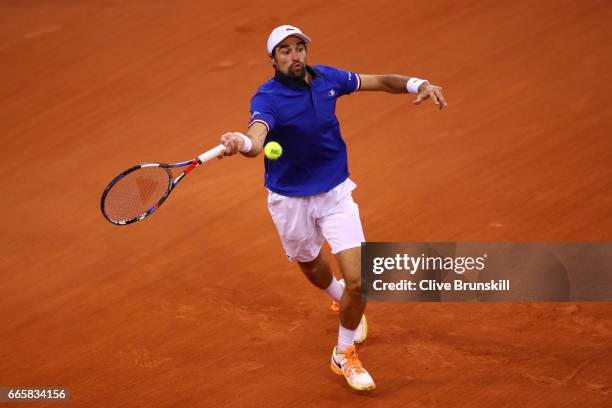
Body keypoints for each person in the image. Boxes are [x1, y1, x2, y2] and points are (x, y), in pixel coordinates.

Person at [218, 25, 447, 391]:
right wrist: (241, 142)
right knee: (310, 264)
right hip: (289, 200)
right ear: (273, 60)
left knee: (360, 281)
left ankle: (344, 354)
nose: (295, 56)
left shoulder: (327, 78)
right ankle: (339, 298)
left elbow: (381, 81)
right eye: (285, 51)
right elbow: (257, 137)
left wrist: (417, 83)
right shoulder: (268, 98)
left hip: (336, 193)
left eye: (299, 48)